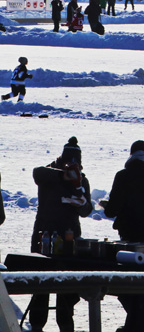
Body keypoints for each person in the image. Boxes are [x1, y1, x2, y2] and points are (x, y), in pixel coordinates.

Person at [28, 137, 93, 332]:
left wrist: (81, 202)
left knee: (66, 291)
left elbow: (87, 209)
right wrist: (62, 176)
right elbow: (37, 173)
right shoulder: (49, 174)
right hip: (44, 237)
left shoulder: (81, 181)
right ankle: (37, 325)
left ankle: (65, 326)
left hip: (69, 239)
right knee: (41, 288)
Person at [101, 140, 144, 259]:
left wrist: (107, 206)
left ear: (131, 156)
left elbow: (112, 210)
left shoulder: (123, 176)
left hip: (131, 242)